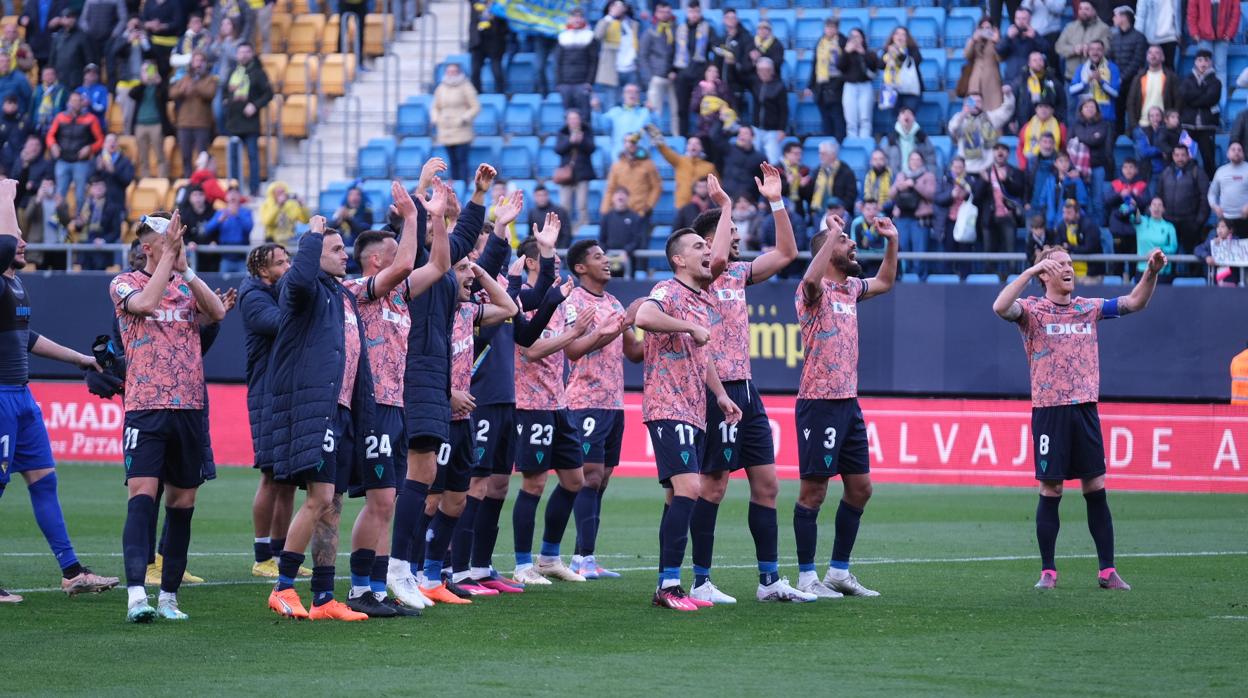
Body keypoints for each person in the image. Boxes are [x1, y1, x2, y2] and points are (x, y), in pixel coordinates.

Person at [992, 245, 1167, 592]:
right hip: (1049, 409)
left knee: (1096, 486)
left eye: (1070, 263)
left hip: (1085, 408)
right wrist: (1029, 271)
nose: (1069, 269)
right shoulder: (1032, 311)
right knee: (1051, 487)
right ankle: (1048, 571)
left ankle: (1107, 571)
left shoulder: (1088, 308)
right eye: (1060, 265)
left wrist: (1152, 271)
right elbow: (999, 307)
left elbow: (1135, 302)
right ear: (1045, 274)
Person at [685, 168, 812, 604]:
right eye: (730, 230)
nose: (737, 237)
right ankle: (701, 581)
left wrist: (777, 201)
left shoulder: (738, 275)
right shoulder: (701, 275)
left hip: (747, 390)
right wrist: (724, 207)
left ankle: (770, 580)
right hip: (712, 391)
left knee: (768, 485)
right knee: (714, 486)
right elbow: (716, 260)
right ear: (704, 242)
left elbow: (788, 252)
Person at [341, 180, 458, 615]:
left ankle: (374, 587)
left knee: (386, 500)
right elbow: (409, 261)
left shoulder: (400, 293)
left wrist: (440, 220)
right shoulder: (361, 288)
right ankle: (357, 589)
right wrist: (413, 216)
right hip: (370, 403)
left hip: (398, 402)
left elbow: (440, 265)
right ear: (376, 261)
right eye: (393, 252)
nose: (405, 257)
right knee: (380, 500)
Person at [0, 179, 119, 605]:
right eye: (17, 242)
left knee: (44, 480)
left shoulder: (14, 285)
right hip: (0, 398)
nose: (24, 245)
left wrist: (80, 360)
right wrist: (5, 194)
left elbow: (26, 337)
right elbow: (4, 241)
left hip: (21, 397)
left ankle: (71, 572)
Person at [111, 210, 226, 622]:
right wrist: (166, 265)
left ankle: (169, 598)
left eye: (179, 241)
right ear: (147, 248)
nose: (176, 247)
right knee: (141, 497)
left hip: (190, 407)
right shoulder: (125, 283)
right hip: (145, 406)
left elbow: (217, 313)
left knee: (183, 503)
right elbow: (144, 304)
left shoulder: (184, 285)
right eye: (168, 241)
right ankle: (137, 596)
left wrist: (186, 269)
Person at [389, 164, 495, 607]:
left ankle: (404, 571)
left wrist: (477, 196)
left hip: (432, 374)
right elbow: (408, 239)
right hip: (412, 372)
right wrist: (420, 203)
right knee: (413, 478)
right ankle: (395, 569)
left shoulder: (445, 267)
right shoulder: (409, 268)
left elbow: (461, 240)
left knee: (426, 473)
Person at [263, 214, 373, 623]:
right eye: (337, 250)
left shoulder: (343, 296)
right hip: (316, 408)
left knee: (333, 505)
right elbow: (301, 278)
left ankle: (324, 596)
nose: (346, 256)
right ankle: (283, 586)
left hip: (343, 410)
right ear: (313, 255)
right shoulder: (301, 288)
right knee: (319, 497)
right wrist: (310, 237)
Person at [458, 207, 566, 594]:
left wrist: (549, 255)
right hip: (478, 396)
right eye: (490, 247)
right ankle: (458, 571)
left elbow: (527, 329)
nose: (498, 255)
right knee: (473, 485)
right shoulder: (468, 290)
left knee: (498, 487)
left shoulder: (501, 289)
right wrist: (502, 227)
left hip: (507, 398)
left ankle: (481, 567)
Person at [634, 227, 741, 611]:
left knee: (676, 495)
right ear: (678, 259)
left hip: (694, 408)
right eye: (699, 246)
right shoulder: (668, 290)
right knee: (691, 488)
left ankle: (666, 582)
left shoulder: (700, 297)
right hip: (667, 404)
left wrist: (721, 394)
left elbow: (702, 355)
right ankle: (670, 585)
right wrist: (689, 326)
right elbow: (645, 314)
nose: (706, 250)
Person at [793, 210, 898, 599]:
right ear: (825, 250)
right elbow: (808, 279)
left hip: (848, 403)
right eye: (843, 240)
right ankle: (807, 577)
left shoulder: (851, 288)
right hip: (818, 402)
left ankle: (838, 571)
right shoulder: (812, 291)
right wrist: (830, 231)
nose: (852, 242)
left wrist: (892, 239)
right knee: (813, 492)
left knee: (860, 488)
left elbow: (885, 280)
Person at [559, 238, 643, 578]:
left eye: (606, 255)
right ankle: (583, 560)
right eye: (597, 257)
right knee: (589, 477)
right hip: (584, 400)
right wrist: (616, 326)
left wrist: (659, 328)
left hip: (614, 403)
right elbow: (574, 350)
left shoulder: (613, 302)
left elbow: (634, 353)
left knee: (602, 479)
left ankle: (585, 556)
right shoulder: (573, 302)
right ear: (581, 268)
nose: (606, 260)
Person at [238, 242, 304, 579]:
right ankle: (262, 555)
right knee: (269, 474)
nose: (289, 267)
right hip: (267, 393)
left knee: (288, 479)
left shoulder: (274, 290)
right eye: (281, 263)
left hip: (286, 393)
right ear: (263, 271)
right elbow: (283, 323)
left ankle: (280, 553)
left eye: (289, 260)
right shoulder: (253, 297)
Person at [224, 43, 272, 198]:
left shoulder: (258, 73)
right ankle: (235, 191)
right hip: (233, 122)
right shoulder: (232, 72)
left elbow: (268, 93)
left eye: (247, 51)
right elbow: (225, 90)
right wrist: (226, 100)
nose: (243, 55)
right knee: (233, 159)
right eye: (241, 52)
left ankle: (254, 189)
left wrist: (255, 105)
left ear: (251, 54)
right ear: (236, 55)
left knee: (252, 157)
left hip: (250, 124)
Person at [46, 91, 104, 213]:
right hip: (63, 160)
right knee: (59, 193)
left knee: (80, 194)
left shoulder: (90, 119)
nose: (75, 104)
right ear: (68, 103)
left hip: (81, 162)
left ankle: (79, 221)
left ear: (82, 103)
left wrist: (90, 148)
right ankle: (57, 219)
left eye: (78, 101)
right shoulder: (60, 117)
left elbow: (100, 140)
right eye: (73, 101)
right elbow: (50, 135)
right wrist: (53, 145)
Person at [672, 0, 716, 138]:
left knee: (701, 108)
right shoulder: (679, 29)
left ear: (700, 12)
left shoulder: (708, 28)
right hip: (682, 74)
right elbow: (672, 51)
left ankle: (701, 138)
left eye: (696, 11)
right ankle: (683, 138)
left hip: (700, 74)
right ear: (687, 12)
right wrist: (671, 70)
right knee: (682, 109)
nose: (694, 14)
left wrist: (710, 69)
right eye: (691, 11)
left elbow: (715, 48)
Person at [891, 151, 937, 279]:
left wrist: (914, 185)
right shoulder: (901, 175)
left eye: (917, 159)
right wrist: (900, 187)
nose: (915, 162)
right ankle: (905, 278)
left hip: (919, 220)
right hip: (902, 219)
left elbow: (931, 195)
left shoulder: (928, 176)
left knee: (920, 253)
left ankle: (920, 280)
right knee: (903, 250)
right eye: (912, 159)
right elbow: (891, 194)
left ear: (922, 161)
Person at [431, 63, 479, 187]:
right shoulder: (441, 88)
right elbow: (435, 107)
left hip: (461, 129)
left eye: (454, 71)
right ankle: (455, 187)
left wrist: (464, 118)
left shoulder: (466, 86)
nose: (451, 74)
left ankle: (463, 185)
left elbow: (475, 107)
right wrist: (436, 118)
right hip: (445, 130)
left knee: (462, 160)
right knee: (451, 161)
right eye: (449, 71)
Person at [171, 52, 216, 179]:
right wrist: (182, 90)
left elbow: (210, 93)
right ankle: (188, 180)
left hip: (202, 124)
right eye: (196, 61)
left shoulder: (210, 79)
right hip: (184, 123)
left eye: (201, 61)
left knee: (202, 157)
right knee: (185, 155)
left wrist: (195, 87)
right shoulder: (184, 78)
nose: (198, 64)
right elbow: (172, 93)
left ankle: (201, 181)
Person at [949, 89, 1016, 176]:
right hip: (966, 169)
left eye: (979, 101)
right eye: (972, 101)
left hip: (987, 168)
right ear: (966, 103)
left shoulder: (990, 118)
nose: (976, 104)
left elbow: (1007, 111)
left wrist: (1008, 94)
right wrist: (963, 114)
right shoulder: (960, 118)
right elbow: (953, 129)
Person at [1187, 0, 1239, 110]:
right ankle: (1203, 108)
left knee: (1221, 71)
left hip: (1223, 38)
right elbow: (1192, 11)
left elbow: (1235, 12)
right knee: (1203, 71)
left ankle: (1220, 109)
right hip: (1203, 36)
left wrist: (1230, 33)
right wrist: (1194, 32)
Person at [649, 126, 717, 210]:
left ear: (702, 148)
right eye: (690, 143)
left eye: (697, 143)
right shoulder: (680, 161)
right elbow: (667, 153)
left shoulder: (709, 167)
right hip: (682, 205)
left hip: (702, 208)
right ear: (687, 147)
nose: (693, 146)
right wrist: (660, 142)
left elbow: (717, 187)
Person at [1070, 96, 1113, 226]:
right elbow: (1069, 144)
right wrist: (1090, 137)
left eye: (1092, 107)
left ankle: (1098, 231)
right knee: (1081, 202)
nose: (1089, 109)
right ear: (1081, 109)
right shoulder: (1075, 125)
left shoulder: (1104, 124)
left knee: (1097, 202)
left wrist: (1083, 137)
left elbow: (1096, 140)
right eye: (1086, 107)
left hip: (1097, 167)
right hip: (1078, 169)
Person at [1179, 49, 1221, 180]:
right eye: (1200, 60)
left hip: (1207, 127)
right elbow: (1184, 96)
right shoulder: (1187, 80)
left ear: (1211, 62)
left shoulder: (1216, 82)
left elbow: (1211, 98)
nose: (1203, 63)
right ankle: (1184, 186)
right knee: (1184, 159)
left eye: (1206, 60)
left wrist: (1193, 100)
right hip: (1188, 126)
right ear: (1195, 62)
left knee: (1209, 160)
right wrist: (1202, 95)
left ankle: (1211, 188)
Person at [602, 132, 661, 224]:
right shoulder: (617, 166)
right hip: (621, 212)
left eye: (633, 141)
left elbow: (656, 186)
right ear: (624, 144)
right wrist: (605, 211)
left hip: (641, 213)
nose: (630, 144)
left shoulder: (648, 164)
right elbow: (611, 189)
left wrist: (648, 206)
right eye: (627, 141)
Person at [639, 1, 678, 135]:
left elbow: (679, 53)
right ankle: (655, 138)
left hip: (672, 76)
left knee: (675, 111)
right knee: (656, 111)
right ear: (656, 13)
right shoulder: (650, 32)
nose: (665, 15)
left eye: (667, 12)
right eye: (662, 12)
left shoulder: (675, 30)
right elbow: (643, 56)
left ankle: (676, 137)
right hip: (656, 76)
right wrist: (650, 77)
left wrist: (675, 70)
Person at [128, 61, 172, 180]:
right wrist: (143, 83)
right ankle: (145, 179)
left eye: (150, 70)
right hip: (140, 125)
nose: (148, 73)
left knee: (160, 155)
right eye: (145, 70)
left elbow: (167, 96)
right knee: (143, 156)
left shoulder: (159, 86)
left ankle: (162, 179)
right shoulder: (140, 87)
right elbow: (131, 94)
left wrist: (159, 82)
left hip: (156, 124)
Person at [67, 175, 122, 270]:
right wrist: (78, 224)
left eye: (101, 186)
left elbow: (116, 232)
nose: (98, 188)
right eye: (95, 186)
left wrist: (104, 240)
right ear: (90, 188)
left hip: (101, 248)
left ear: (105, 188)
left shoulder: (112, 206)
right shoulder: (85, 205)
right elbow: (78, 229)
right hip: (85, 246)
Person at [1108, 7, 1148, 135]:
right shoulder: (1115, 38)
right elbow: (1110, 59)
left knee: (1133, 112)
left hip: (1133, 83)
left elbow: (1137, 62)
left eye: (1116, 16)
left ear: (1124, 17)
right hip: (1118, 83)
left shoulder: (1139, 38)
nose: (1113, 19)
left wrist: (1122, 77)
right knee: (1117, 113)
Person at [554, 110, 596, 231]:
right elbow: (558, 149)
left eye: (576, 118)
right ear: (567, 121)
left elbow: (591, 148)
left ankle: (583, 229)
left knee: (582, 205)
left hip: (582, 173)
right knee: (564, 205)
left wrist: (581, 141)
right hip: (566, 175)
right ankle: (565, 229)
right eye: (571, 119)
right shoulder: (562, 133)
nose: (573, 121)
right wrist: (570, 141)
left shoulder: (587, 131)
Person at [593, 1, 640, 110]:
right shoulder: (606, 22)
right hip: (612, 70)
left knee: (633, 105)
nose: (618, 8)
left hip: (631, 69)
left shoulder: (633, 24)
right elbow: (597, 36)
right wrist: (611, 16)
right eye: (614, 6)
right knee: (612, 105)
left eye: (620, 6)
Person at [805, 18, 846, 141]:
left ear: (837, 29)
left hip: (836, 85)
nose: (829, 30)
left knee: (837, 117)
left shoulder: (842, 42)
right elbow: (815, 65)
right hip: (821, 86)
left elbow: (846, 65)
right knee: (825, 119)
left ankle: (839, 144)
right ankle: (827, 143)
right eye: (827, 27)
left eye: (832, 27)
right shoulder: (820, 42)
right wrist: (810, 85)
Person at [555, 8, 598, 121]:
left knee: (585, 117)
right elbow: (558, 62)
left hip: (582, 83)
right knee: (568, 117)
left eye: (579, 17)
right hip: (566, 84)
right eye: (574, 17)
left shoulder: (589, 36)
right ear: (569, 19)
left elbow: (594, 61)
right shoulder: (563, 37)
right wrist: (559, 82)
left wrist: (589, 82)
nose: (577, 20)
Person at [838, 28, 881, 140]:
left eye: (857, 37)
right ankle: (853, 144)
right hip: (850, 86)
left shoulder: (869, 52)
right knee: (851, 120)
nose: (855, 39)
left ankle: (864, 142)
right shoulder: (845, 52)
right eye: (852, 37)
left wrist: (863, 53)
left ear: (862, 39)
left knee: (865, 119)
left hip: (865, 86)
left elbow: (875, 66)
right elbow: (839, 66)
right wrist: (846, 52)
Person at [596, 83, 653, 166]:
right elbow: (602, 126)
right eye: (629, 92)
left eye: (635, 92)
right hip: (619, 159)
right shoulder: (614, 112)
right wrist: (597, 110)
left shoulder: (645, 112)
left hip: (641, 158)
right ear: (623, 95)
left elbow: (656, 129)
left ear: (639, 96)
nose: (632, 94)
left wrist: (653, 112)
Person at [1056, 2, 1111, 83]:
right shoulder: (1070, 27)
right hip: (1071, 77)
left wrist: (1090, 49)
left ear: (1094, 11)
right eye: (1080, 9)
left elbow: (1107, 50)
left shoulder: (1103, 28)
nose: (1082, 11)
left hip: (1093, 79)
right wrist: (1074, 49)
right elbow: (1058, 47)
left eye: (1086, 9)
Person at [1125, 46, 1177, 132]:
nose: (1153, 55)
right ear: (1146, 57)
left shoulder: (1171, 78)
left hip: (1164, 127)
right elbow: (1130, 102)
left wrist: (1171, 123)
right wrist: (1134, 125)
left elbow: (1178, 101)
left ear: (1163, 57)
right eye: (1150, 53)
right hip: (1142, 125)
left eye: (1157, 53)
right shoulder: (1139, 78)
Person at [801, 139, 858, 218]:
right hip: (817, 213)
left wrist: (840, 210)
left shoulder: (846, 172)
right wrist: (804, 186)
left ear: (833, 155)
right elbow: (808, 196)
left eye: (823, 154)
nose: (820, 156)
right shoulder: (816, 171)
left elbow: (851, 196)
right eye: (820, 153)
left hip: (838, 215)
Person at [1068, 40, 1120, 124]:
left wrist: (1101, 82)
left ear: (1103, 51)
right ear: (1088, 52)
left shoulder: (1112, 68)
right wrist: (1085, 82)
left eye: (1098, 49)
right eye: (1092, 49)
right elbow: (1072, 90)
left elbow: (1115, 93)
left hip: (1106, 117)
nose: (1095, 52)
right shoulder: (1081, 68)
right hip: (1084, 117)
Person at [1011, 51, 1065, 133]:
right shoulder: (1021, 81)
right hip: (1025, 122)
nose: (1038, 63)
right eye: (1035, 60)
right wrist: (1012, 119)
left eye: (1040, 60)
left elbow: (1062, 102)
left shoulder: (1052, 81)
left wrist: (1058, 118)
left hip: (1049, 123)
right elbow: (1013, 101)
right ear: (1029, 63)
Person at [203, 188, 252, 272]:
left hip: (241, 256)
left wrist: (238, 215)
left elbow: (249, 228)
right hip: (225, 256)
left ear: (239, 197)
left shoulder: (245, 212)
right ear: (226, 197)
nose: (233, 196)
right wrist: (219, 221)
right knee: (224, 282)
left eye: (235, 194)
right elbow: (207, 229)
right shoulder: (220, 213)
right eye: (230, 194)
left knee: (242, 283)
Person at [714, 9, 754, 110]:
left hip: (737, 84)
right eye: (728, 17)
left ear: (737, 20)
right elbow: (717, 61)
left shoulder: (746, 37)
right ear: (724, 20)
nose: (731, 20)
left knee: (735, 117)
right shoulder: (723, 38)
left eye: (733, 17)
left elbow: (748, 62)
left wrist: (735, 64)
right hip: (722, 86)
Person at [997, 7, 1049, 85]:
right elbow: (999, 51)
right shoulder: (1010, 36)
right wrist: (1007, 37)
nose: (1020, 22)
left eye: (1024, 18)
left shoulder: (1034, 35)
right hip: (1010, 80)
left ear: (1030, 19)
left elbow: (1046, 49)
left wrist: (1035, 37)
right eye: (1018, 18)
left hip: (1030, 80)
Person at [599, 187, 646, 272]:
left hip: (628, 258)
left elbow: (637, 239)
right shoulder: (607, 217)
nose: (620, 196)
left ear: (628, 198)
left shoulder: (635, 217)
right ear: (613, 198)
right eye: (617, 193)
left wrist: (627, 251)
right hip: (609, 258)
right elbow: (602, 239)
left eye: (623, 194)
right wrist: (605, 253)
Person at [1208, 142, 1248, 238]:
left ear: (1243, 153)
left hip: (1245, 218)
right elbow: (1212, 194)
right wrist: (1215, 206)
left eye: (1239, 150)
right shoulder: (1220, 171)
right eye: (1233, 150)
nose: (1236, 152)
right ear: (1227, 153)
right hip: (1225, 219)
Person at [882, 107, 937, 175]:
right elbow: (884, 161)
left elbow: (931, 162)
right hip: (895, 180)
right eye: (903, 113)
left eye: (909, 113)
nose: (906, 115)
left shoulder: (923, 139)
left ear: (914, 118)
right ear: (898, 118)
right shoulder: (890, 140)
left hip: (919, 180)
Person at [467, 0, 507, 94]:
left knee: (497, 71)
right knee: (475, 71)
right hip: (478, 41)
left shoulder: (500, 4)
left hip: (495, 41)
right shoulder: (475, 2)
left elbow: (504, 23)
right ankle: (477, 94)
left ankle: (500, 94)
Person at [964, 19, 1004, 112]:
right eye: (982, 28)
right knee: (973, 110)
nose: (985, 30)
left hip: (992, 82)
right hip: (975, 82)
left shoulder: (997, 41)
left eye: (988, 27)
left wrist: (996, 43)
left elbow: (1000, 59)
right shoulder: (974, 40)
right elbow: (966, 55)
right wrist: (973, 40)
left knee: (994, 111)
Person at [720, 126, 766, 204]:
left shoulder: (760, 158)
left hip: (748, 200)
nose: (741, 135)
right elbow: (715, 138)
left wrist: (761, 201)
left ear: (753, 137)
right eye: (739, 133)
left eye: (745, 133)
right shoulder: (729, 150)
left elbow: (764, 181)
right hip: (726, 197)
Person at [1133, 196, 1177, 278]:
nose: (1156, 207)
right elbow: (1123, 212)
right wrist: (1131, 205)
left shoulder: (1169, 227)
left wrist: (1160, 249)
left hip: (1162, 272)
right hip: (1142, 270)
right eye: (1154, 204)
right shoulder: (1141, 221)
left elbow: (1173, 248)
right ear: (1150, 208)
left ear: (1163, 209)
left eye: (1159, 205)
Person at [49, 9, 90, 93]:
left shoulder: (82, 36)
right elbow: (52, 58)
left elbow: (89, 59)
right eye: (65, 17)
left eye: (70, 17)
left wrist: (87, 78)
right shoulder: (58, 36)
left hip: (77, 79)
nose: (68, 20)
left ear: (75, 19)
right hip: (59, 78)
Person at [1018, 99, 1065, 171]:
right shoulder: (1027, 127)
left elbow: (1064, 149)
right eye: (1040, 107)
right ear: (1036, 109)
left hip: (1053, 165)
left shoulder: (1060, 127)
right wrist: (1023, 166)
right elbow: (1020, 147)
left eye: (1046, 107)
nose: (1043, 110)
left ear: (1052, 110)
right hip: (1030, 165)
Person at [1135, 0, 1181, 69]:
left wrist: (1179, 33)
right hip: (1152, 38)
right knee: (1150, 70)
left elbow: (1178, 12)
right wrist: (1138, 37)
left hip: (1171, 37)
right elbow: (1140, 15)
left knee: (1169, 72)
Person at [75, 64, 109, 129]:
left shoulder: (102, 89)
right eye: (88, 72)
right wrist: (80, 105)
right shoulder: (79, 90)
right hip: (80, 125)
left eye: (94, 72)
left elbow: (102, 108)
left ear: (97, 76)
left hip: (98, 124)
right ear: (84, 75)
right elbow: (71, 106)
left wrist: (90, 104)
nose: (91, 74)